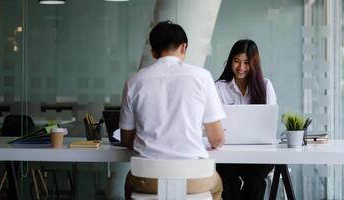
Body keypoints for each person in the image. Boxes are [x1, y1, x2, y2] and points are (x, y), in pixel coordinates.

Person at [119, 21, 226, 200]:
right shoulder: (202, 77)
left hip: (147, 179)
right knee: (216, 187)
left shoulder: (134, 81)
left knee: (130, 184)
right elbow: (216, 139)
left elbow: (126, 139)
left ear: (153, 51)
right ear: (184, 47)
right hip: (193, 178)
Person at [215, 39, 277, 200]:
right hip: (228, 153)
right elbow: (215, 124)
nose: (241, 68)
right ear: (230, 62)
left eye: (246, 63)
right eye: (236, 61)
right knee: (226, 177)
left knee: (256, 179)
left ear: (254, 64)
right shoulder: (219, 88)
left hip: (259, 154)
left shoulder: (265, 86)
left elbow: (270, 124)